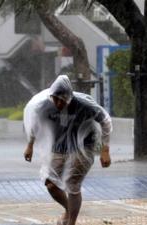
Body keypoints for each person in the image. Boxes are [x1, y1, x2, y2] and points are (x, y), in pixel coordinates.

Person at [23, 75, 112, 225]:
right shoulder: (44, 105)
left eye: (62, 100)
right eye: (55, 99)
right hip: (59, 147)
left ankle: (71, 222)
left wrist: (105, 150)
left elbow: (106, 121)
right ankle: (68, 210)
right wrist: (30, 145)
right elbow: (34, 124)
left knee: (72, 184)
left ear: (69, 97)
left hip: (83, 147)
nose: (58, 103)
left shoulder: (84, 104)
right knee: (50, 183)